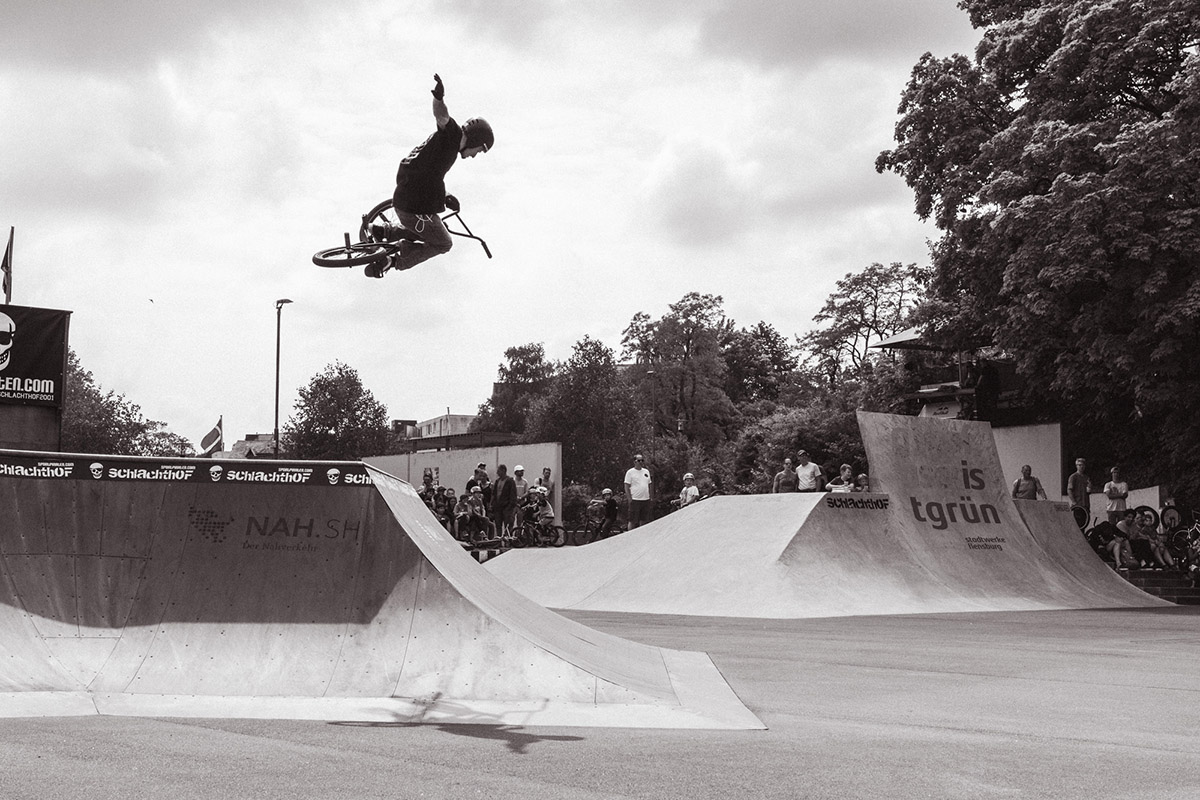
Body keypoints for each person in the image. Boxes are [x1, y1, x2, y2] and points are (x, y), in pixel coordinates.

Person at [367, 73, 493, 278]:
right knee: (444, 242)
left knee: (435, 226)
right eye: (478, 151)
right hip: (411, 204)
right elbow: (442, 117)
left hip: (405, 197)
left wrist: (445, 196)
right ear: (475, 139)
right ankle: (393, 261)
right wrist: (438, 98)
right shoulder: (453, 135)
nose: (474, 156)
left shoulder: (447, 146)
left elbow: (429, 175)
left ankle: (383, 231)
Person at [624, 454, 653, 530]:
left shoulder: (646, 471)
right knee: (632, 520)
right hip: (635, 499)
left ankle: (642, 534)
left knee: (643, 520)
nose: (641, 462)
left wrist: (650, 496)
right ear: (635, 462)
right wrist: (630, 499)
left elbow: (649, 484)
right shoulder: (630, 472)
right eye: (639, 460)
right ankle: (630, 535)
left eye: (642, 460)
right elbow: (626, 486)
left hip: (645, 499)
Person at [491, 464, 518, 536]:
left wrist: (510, 506)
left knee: (508, 525)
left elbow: (513, 494)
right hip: (498, 507)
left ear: (503, 471)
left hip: (507, 507)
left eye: (498, 471)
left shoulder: (510, 481)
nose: (497, 473)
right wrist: (493, 504)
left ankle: (507, 538)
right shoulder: (497, 481)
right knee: (498, 525)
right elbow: (494, 494)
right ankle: (498, 538)